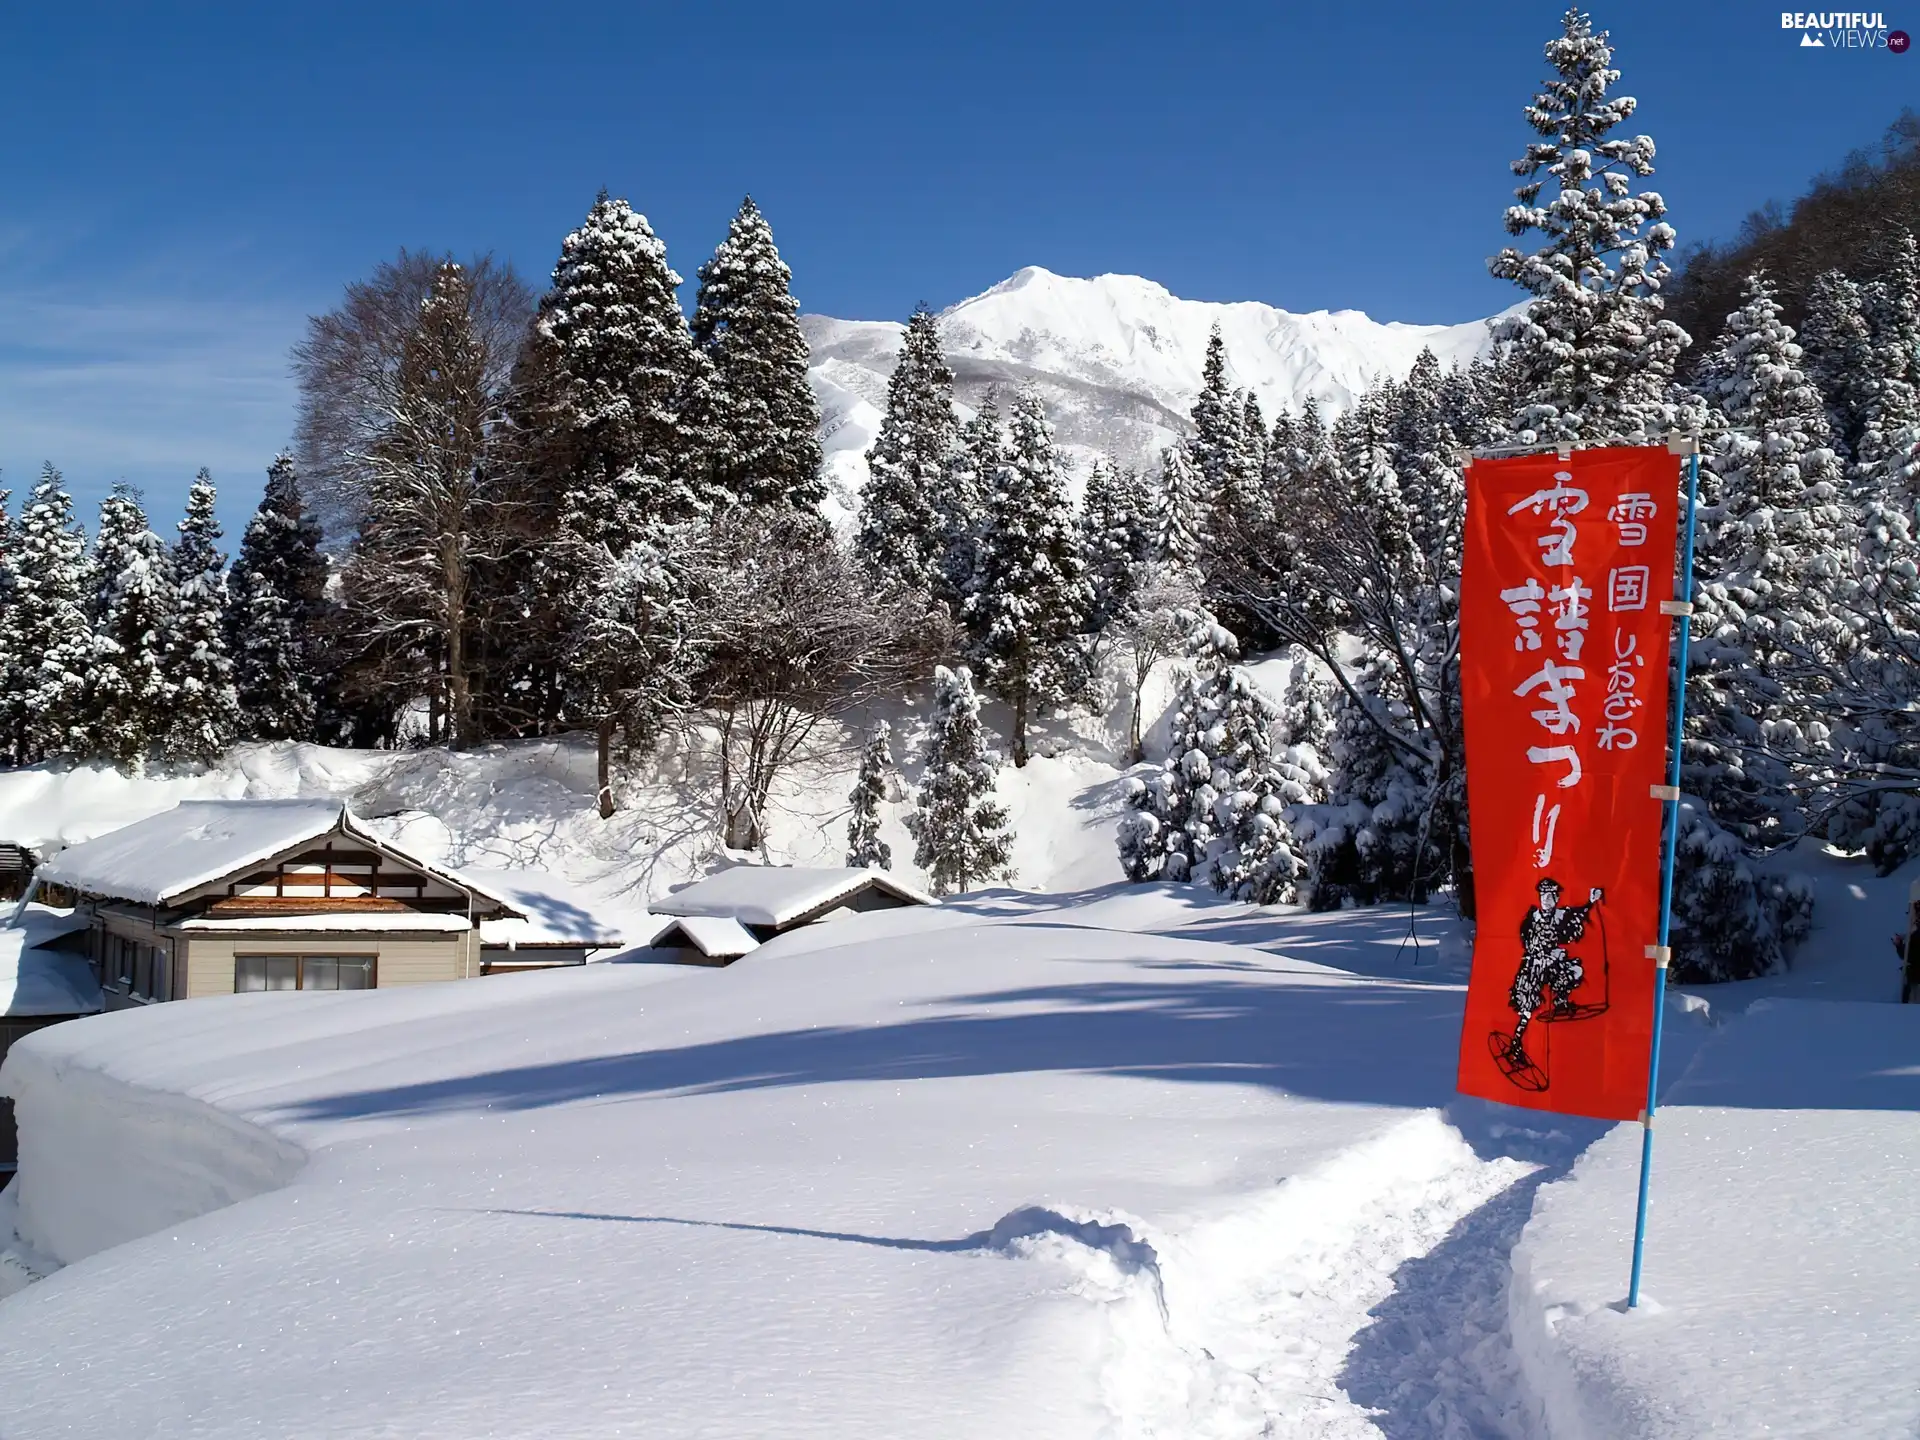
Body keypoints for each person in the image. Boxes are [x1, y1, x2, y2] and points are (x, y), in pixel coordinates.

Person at [1507, 876, 1603, 1069]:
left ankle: (1560, 1001)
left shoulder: (1560, 916)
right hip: (1533, 967)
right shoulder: (1532, 918)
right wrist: (1542, 953)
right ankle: (1516, 1045)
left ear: (1556, 898)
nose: (1546, 900)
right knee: (1526, 1007)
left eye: (1550, 896)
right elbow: (1528, 941)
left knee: (1573, 971)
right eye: (1543, 896)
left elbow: (1576, 915)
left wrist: (1590, 902)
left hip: (1551, 964)